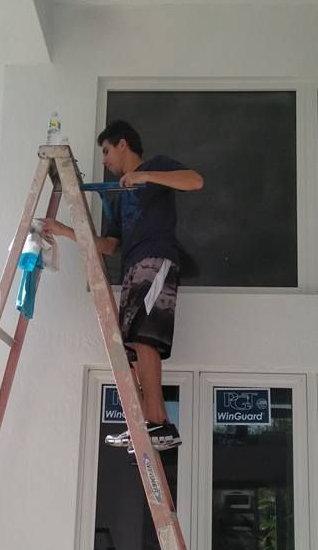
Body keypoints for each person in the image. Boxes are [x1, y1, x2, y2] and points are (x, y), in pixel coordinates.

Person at [40, 119, 203, 451]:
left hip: (156, 259)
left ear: (123, 144)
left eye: (106, 150)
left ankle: (159, 423)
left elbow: (195, 181)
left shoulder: (157, 167)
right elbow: (110, 246)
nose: (104, 160)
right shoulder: (117, 199)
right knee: (131, 349)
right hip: (131, 268)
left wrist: (144, 177)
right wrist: (64, 231)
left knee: (145, 339)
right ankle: (146, 424)